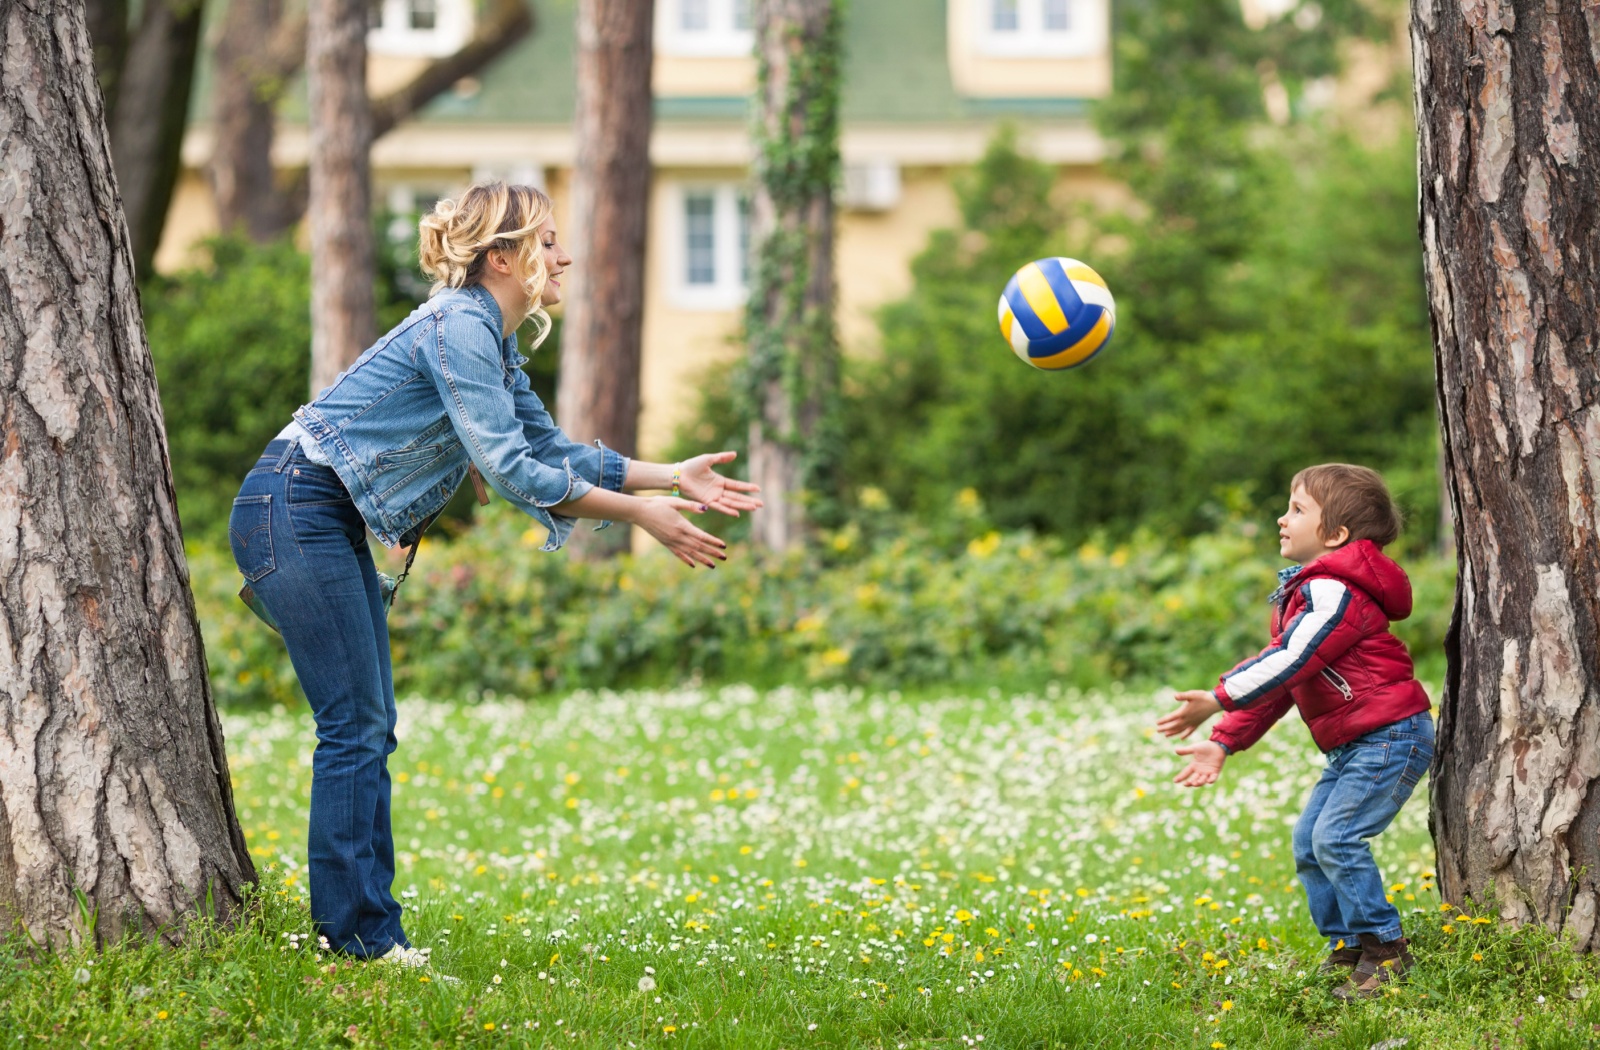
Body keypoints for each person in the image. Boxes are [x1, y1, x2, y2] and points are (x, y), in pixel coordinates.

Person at [228, 181, 761, 966]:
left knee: (369, 728)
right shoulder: (459, 326)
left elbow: (552, 451)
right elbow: (510, 470)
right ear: (504, 257)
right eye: (548, 241)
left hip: (315, 513)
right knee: (354, 729)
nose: (566, 255)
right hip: (292, 507)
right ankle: (354, 942)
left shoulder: (491, 337)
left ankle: (368, 933)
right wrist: (637, 514)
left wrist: (670, 477)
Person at [1154, 464, 1433, 1000]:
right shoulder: (1312, 591)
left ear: (1336, 536)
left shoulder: (1335, 592)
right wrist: (1222, 742)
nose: (1282, 519)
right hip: (1359, 743)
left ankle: (1386, 950)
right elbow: (1285, 682)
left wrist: (1218, 698)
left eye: (1298, 510)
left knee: (1336, 838)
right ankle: (1350, 947)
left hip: (1391, 736)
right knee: (1310, 842)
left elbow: (1290, 659)